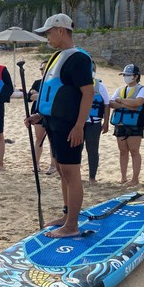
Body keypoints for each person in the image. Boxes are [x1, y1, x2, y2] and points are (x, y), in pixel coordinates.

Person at [25, 14, 94, 238]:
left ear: (61, 30)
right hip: (54, 124)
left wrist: (79, 126)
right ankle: (67, 215)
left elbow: (88, 93)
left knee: (71, 173)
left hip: (69, 127)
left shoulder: (79, 59)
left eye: (49, 32)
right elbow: (55, 94)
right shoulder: (57, 57)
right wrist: (40, 116)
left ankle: (72, 226)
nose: (47, 37)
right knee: (63, 172)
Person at [109, 64, 144, 188]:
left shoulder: (142, 89)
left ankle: (135, 179)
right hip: (121, 123)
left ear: (136, 76)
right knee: (123, 151)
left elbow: (138, 102)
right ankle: (123, 177)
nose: (125, 77)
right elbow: (111, 103)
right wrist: (127, 105)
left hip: (134, 124)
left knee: (134, 151)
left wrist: (121, 102)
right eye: (124, 75)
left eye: (128, 75)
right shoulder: (120, 89)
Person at [84, 61, 110, 184]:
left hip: (94, 123)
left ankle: (92, 177)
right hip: (79, 123)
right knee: (76, 149)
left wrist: (106, 122)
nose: (91, 70)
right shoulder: (77, 84)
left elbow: (106, 104)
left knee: (92, 150)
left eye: (93, 68)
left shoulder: (99, 85)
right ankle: (75, 175)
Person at [28, 62, 56, 175]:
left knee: (51, 140)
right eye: (41, 69)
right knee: (39, 139)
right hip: (37, 113)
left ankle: (53, 165)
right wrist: (41, 96)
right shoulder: (37, 83)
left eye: (45, 68)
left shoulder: (54, 83)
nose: (43, 71)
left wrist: (38, 95)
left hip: (51, 114)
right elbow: (29, 97)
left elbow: (52, 98)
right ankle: (36, 164)